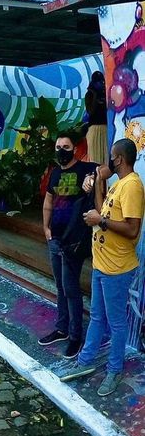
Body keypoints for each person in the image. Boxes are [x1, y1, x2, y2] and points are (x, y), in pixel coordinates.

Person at [60, 138, 144, 396]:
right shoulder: (118, 184)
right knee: (97, 316)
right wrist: (97, 182)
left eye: (111, 156)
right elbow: (101, 211)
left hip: (117, 267)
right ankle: (85, 361)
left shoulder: (132, 186)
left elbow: (132, 229)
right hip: (101, 263)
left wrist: (100, 221)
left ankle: (114, 369)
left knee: (116, 323)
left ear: (119, 159)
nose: (109, 160)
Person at [39, 134, 97, 359]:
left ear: (74, 149)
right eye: (58, 147)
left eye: (66, 146)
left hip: (74, 240)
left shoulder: (85, 168)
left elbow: (106, 169)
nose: (61, 150)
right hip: (55, 238)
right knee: (60, 287)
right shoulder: (54, 173)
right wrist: (46, 228)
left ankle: (75, 336)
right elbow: (48, 201)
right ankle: (62, 328)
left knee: (71, 288)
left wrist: (94, 177)